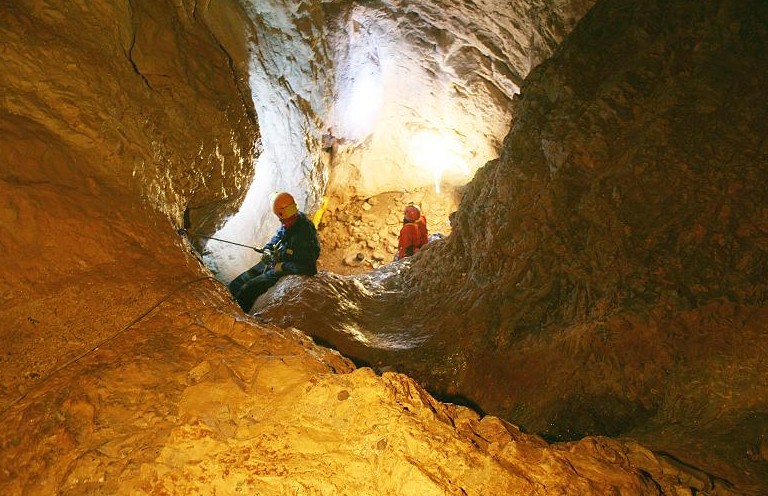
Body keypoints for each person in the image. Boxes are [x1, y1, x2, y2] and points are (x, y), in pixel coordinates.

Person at [228, 192, 321, 312]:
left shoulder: (304, 233)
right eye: (282, 220)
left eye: (286, 221)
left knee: (248, 290)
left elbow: (308, 268)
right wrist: (268, 249)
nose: (284, 224)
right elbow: (278, 237)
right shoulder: (290, 221)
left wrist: (282, 267)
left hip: (285, 269)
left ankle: (237, 316)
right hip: (277, 261)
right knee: (237, 284)